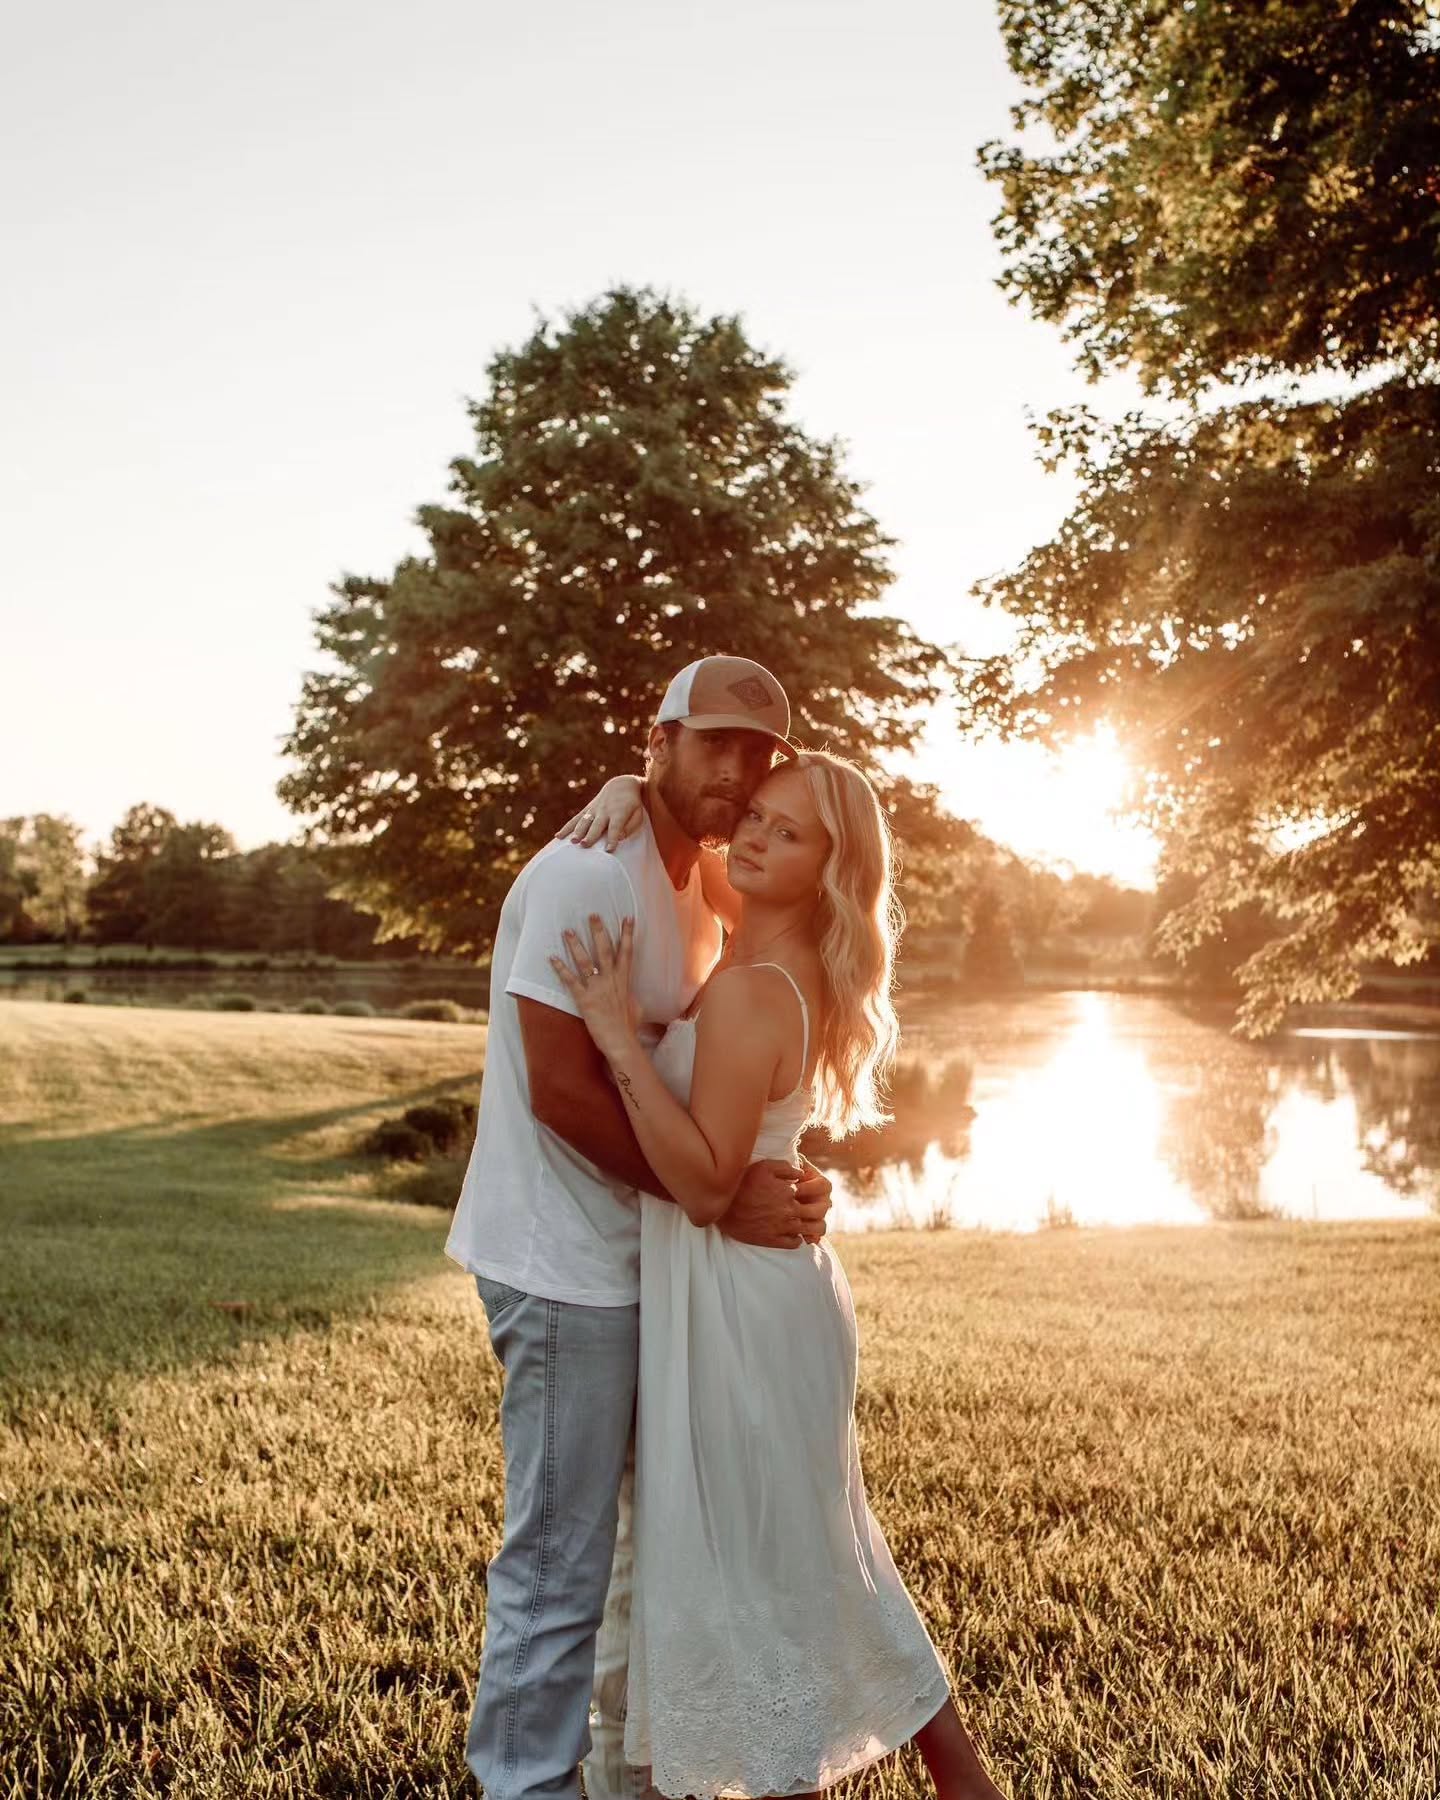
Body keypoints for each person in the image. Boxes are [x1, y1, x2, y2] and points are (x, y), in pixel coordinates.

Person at [552, 750, 1009, 1798]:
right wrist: (633, 788)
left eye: (787, 831)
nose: (752, 837)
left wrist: (619, 1039)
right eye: (756, 815)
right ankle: (957, 1781)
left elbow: (705, 1184)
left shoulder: (757, 988)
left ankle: (913, 1778)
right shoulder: (766, 938)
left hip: (742, 1298)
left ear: (829, 869)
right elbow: (700, 853)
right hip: (763, 1287)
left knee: (770, 1567)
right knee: (806, 1557)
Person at [445, 656, 836, 1800]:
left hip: (655, 1266)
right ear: (657, 740)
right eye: (712, 743)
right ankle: (525, 1784)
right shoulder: (587, 876)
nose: (736, 771)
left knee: (649, 1549)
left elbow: (730, 1065)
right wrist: (712, 1194)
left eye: (756, 754)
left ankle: (629, 1776)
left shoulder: (700, 884)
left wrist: (773, 1173)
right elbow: (561, 1092)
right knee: (558, 1559)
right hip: (562, 1266)